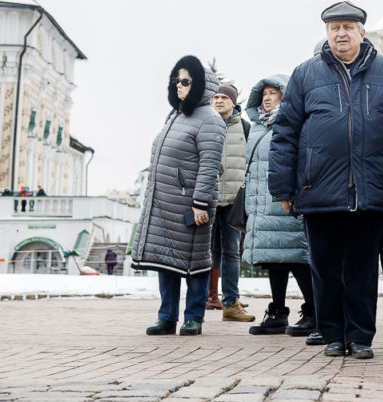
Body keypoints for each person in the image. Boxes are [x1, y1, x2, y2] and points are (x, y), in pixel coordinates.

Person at [269, 1, 383, 360]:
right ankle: (332, 334)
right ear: (327, 33)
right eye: (335, 28)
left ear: (362, 32)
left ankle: (360, 336)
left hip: (370, 189)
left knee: (362, 270)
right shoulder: (306, 74)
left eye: (348, 27)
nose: (341, 34)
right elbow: (285, 132)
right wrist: (282, 186)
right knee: (325, 269)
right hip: (318, 189)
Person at [131, 54, 226, 337]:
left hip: (190, 204)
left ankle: (193, 317)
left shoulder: (210, 119)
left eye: (185, 81)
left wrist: (200, 203)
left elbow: (209, 165)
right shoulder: (175, 115)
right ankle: (166, 317)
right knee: (166, 260)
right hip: (164, 202)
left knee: (195, 262)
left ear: (199, 85)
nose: (179, 85)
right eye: (176, 80)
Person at [242, 75, 316, 338]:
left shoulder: (293, 122)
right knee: (274, 260)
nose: (267, 97)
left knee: (297, 258)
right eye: (264, 93)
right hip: (262, 204)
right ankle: (277, 313)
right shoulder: (257, 127)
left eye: (273, 93)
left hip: (286, 202)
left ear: (285, 96)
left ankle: (314, 312)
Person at [207, 83, 255, 322]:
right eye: (216, 97)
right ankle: (199, 302)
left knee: (232, 253)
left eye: (224, 97)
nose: (219, 101)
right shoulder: (205, 125)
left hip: (234, 202)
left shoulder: (245, 128)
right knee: (203, 253)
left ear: (233, 103)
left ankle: (230, 304)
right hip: (207, 200)